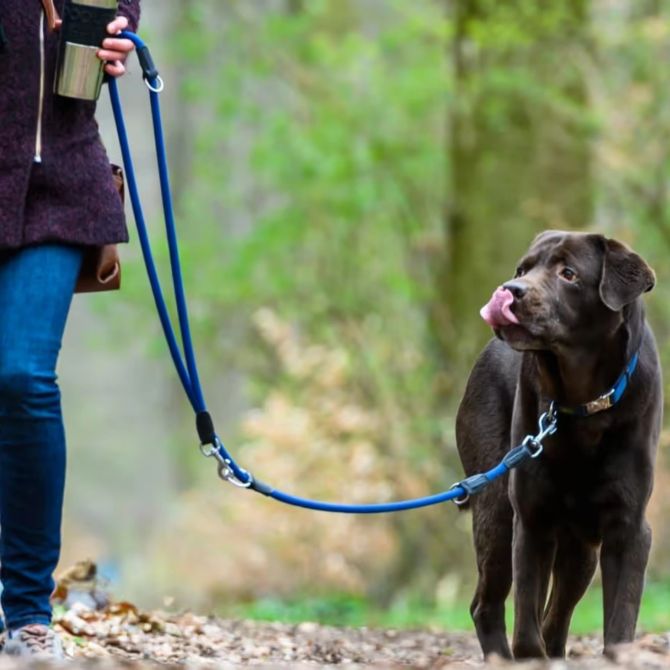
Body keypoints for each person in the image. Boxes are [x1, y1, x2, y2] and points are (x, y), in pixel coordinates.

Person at [0, 0, 140, 658]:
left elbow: (112, 16)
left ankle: (27, 614)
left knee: (24, 376)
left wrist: (116, 38)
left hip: (57, 186)